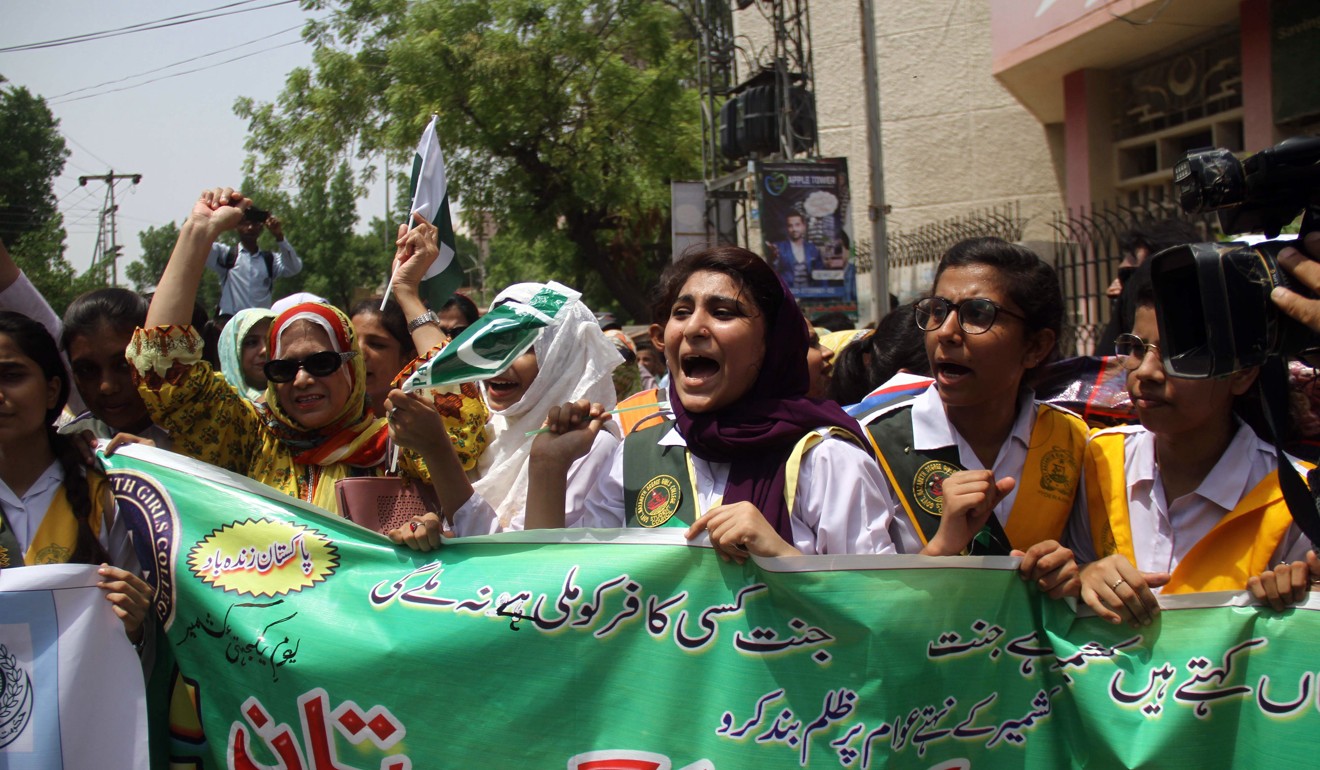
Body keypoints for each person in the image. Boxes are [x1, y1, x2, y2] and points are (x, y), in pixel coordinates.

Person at [524, 245, 895, 560]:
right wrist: (547, 468)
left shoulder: (827, 460)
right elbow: (569, 594)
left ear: (771, 343)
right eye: (681, 312)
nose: (692, 328)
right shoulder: (635, 457)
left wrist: (784, 559)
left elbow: (878, 615)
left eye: (722, 313)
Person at [131, 188, 486, 516]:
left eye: (321, 362)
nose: (302, 379)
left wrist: (407, 292)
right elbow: (166, 371)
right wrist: (198, 232)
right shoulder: (249, 439)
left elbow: (454, 403)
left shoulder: (395, 445)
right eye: (283, 369)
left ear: (352, 367)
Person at [1070, 260, 1317, 624]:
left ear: (1243, 373)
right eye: (1137, 347)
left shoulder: (1297, 496)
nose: (1146, 372)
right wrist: (1082, 576)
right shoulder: (1098, 459)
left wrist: (1296, 599)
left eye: (1178, 353)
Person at [857, 238, 1083, 595]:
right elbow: (856, 604)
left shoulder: (1075, 441)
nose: (946, 332)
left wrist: (1077, 577)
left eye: (977, 314)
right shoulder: (867, 445)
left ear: (1035, 346)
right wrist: (942, 549)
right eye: (937, 310)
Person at [408, 280, 622, 542]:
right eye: (493, 344)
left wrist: (438, 452)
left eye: (524, 348)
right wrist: (433, 527)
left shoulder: (586, 442)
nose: (499, 363)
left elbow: (513, 559)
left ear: (561, 357)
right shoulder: (483, 427)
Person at [0, 311, 150, 644]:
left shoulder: (106, 491)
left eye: (11, 375)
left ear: (53, 390)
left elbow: (138, 633)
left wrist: (135, 624)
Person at [205, 205, 301, 317]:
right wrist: (220, 222)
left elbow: (294, 268)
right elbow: (200, 247)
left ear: (261, 227)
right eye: (245, 223)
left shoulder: (269, 260)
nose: (250, 227)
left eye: (255, 224)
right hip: (231, 322)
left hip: (259, 324)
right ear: (237, 226)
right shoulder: (226, 255)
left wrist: (279, 236)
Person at [349, 298, 417, 419]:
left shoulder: (425, 427)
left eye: (376, 344)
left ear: (409, 360)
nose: (358, 354)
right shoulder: (325, 428)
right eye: (351, 342)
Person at [217, 307, 275, 403]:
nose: (265, 350)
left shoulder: (300, 397)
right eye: (252, 342)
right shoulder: (220, 404)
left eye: (271, 341)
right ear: (233, 351)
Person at [769, 211, 821, 288]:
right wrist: (774, 257)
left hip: (810, 294)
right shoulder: (779, 247)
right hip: (788, 294)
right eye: (790, 226)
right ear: (786, 228)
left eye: (797, 225)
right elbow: (772, 272)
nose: (794, 229)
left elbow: (820, 273)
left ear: (804, 226)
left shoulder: (812, 248)